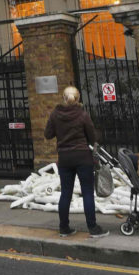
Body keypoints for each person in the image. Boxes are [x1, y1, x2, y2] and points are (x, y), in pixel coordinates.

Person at [44, 86, 108, 238]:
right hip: (82, 157)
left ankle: (64, 227)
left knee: (65, 193)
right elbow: (92, 138)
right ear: (78, 98)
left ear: (64, 98)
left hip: (65, 158)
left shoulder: (55, 114)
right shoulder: (82, 115)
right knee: (87, 192)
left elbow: (48, 134)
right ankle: (93, 228)